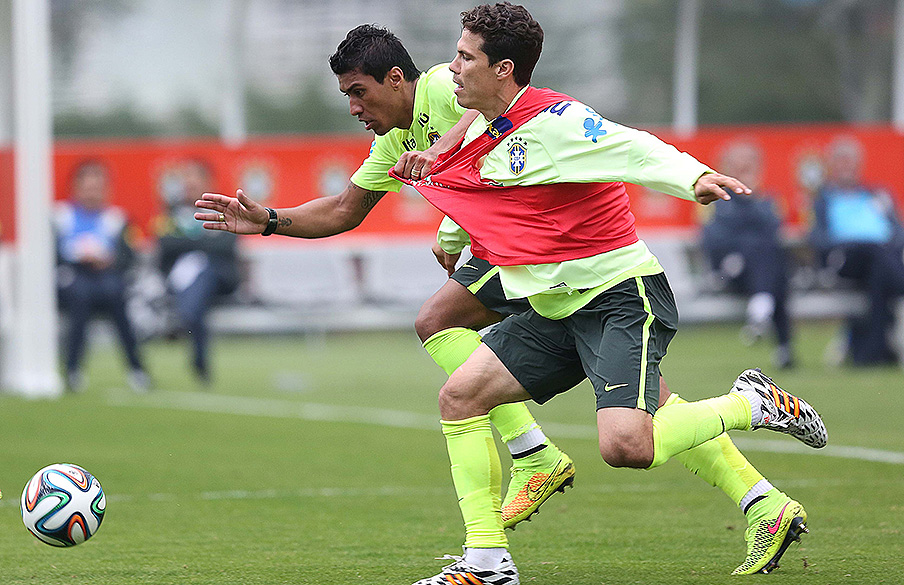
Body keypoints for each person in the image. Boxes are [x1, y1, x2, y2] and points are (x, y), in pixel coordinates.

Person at [194, 20, 825, 579]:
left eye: (358, 92)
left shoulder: (468, 93)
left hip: (596, 278)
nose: (354, 107)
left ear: (395, 78)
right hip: (536, 276)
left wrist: (691, 177)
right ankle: (495, 556)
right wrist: (269, 220)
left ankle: (549, 453)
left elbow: (607, 141)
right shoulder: (394, 143)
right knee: (567, 398)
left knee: (609, 426)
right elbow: (341, 209)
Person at [55, 160, 150, 392]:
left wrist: (109, 260)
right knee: (80, 297)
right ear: (76, 188)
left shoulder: (116, 219)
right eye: (86, 187)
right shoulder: (60, 217)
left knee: (116, 295)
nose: (91, 193)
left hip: (107, 277)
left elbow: (129, 257)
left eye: (96, 187)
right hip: (72, 277)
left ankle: (137, 370)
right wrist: (76, 258)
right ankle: (73, 369)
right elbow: (50, 256)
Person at [700, 139, 795, 368]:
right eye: (737, 166)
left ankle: (760, 311)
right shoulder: (711, 199)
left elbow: (774, 230)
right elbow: (715, 238)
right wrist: (742, 200)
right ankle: (783, 345)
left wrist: (749, 200)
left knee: (767, 255)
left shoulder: (769, 200)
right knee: (763, 254)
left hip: (761, 270)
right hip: (730, 271)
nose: (743, 172)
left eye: (748, 166)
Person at [810, 136, 904, 366]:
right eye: (840, 161)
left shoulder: (877, 194)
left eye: (849, 161)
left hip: (879, 261)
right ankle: (880, 345)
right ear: (832, 165)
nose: (846, 166)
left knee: (879, 273)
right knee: (878, 257)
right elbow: (818, 237)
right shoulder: (825, 198)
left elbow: (897, 231)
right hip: (844, 258)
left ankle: (868, 353)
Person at [155, 159, 241, 384]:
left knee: (202, 269)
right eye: (186, 179)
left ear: (208, 182)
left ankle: (182, 319)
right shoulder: (171, 215)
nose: (190, 184)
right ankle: (200, 361)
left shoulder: (223, 210)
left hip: (218, 278)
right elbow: (164, 247)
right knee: (195, 288)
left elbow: (227, 246)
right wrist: (202, 241)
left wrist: (190, 243)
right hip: (184, 283)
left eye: (195, 178)